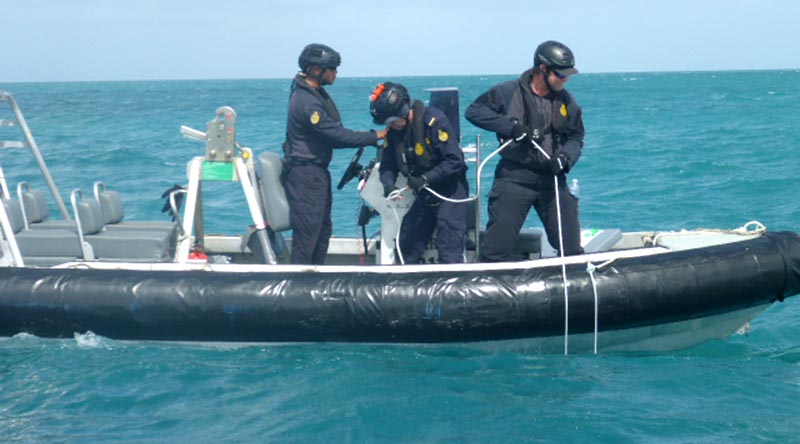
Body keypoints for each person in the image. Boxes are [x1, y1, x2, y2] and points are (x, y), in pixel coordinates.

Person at [465, 40, 585, 261]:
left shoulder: (567, 101)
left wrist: (566, 158)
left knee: (572, 249)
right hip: (514, 179)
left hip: (552, 181)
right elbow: (474, 111)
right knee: (495, 250)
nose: (565, 79)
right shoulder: (507, 92)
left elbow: (576, 136)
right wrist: (511, 128)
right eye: (560, 74)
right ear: (543, 69)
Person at [283, 43, 387, 265]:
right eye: (332, 68)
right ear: (316, 69)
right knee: (308, 233)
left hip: (316, 174)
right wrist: (376, 135)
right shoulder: (307, 102)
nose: (336, 73)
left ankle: (315, 277)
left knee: (322, 231)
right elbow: (335, 136)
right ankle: (300, 283)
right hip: (306, 175)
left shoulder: (312, 94)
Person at [370, 82, 469, 264]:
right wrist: (389, 185)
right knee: (407, 241)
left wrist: (425, 178)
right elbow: (387, 166)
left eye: (393, 120)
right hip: (424, 193)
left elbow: (454, 161)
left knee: (449, 241)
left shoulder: (434, 121)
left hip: (450, 190)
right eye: (388, 123)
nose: (392, 125)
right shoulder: (394, 133)